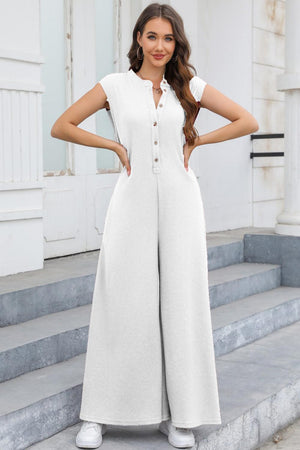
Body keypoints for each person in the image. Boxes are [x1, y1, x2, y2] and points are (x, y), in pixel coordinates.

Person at [51, 3, 259, 449]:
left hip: (183, 202)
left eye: (168, 38)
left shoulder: (189, 86)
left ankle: (180, 416)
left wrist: (197, 140)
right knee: (121, 300)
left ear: (176, 41)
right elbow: (62, 125)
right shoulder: (114, 86)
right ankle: (99, 413)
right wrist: (113, 146)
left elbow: (248, 120)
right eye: (151, 36)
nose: (160, 46)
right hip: (131, 201)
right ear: (138, 39)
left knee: (182, 302)